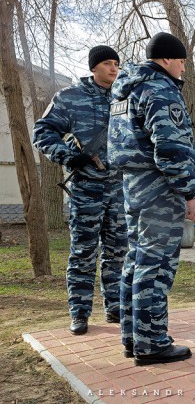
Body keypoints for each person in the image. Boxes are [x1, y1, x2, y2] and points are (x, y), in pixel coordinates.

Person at [107, 32, 195, 366]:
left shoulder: (125, 92)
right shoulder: (160, 90)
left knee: (135, 263)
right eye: (181, 62)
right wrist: (189, 193)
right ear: (165, 60)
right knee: (156, 267)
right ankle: (153, 344)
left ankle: (133, 339)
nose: (183, 69)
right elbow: (171, 150)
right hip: (160, 189)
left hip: (133, 186)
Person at [32, 45, 126, 336]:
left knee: (118, 253)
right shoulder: (69, 98)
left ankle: (115, 307)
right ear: (94, 67)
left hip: (120, 188)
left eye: (116, 63)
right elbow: (43, 132)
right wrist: (69, 156)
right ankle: (80, 313)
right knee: (84, 253)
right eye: (108, 63)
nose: (114, 68)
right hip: (86, 189)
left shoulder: (126, 98)